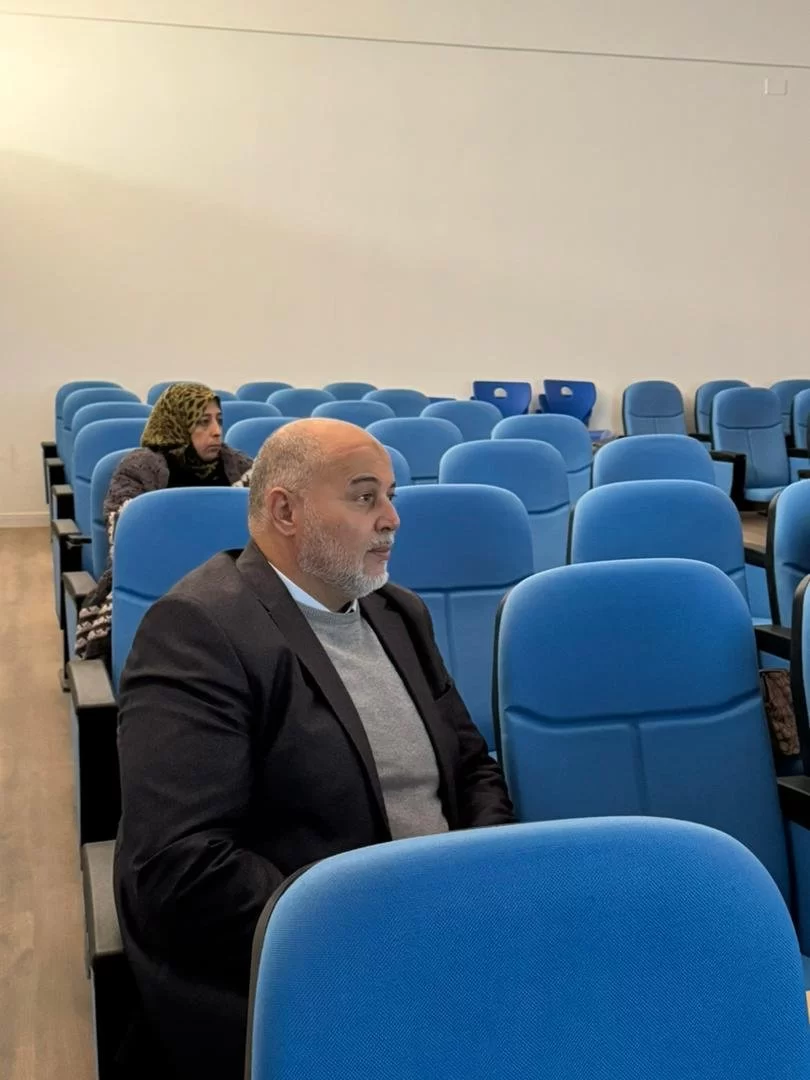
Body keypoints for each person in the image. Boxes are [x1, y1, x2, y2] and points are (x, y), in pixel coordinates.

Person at [114, 417, 515, 1079]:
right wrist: (377, 932)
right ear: (285, 511)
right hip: (312, 972)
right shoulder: (199, 630)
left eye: (390, 496)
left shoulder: (398, 613)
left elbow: (472, 768)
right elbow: (182, 868)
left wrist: (487, 885)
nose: (392, 519)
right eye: (365, 497)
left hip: (452, 936)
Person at [74, 382, 252, 660]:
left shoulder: (239, 466)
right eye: (203, 422)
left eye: (219, 420)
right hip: (156, 590)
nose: (217, 431)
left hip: (234, 595)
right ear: (177, 424)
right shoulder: (138, 468)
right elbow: (128, 538)